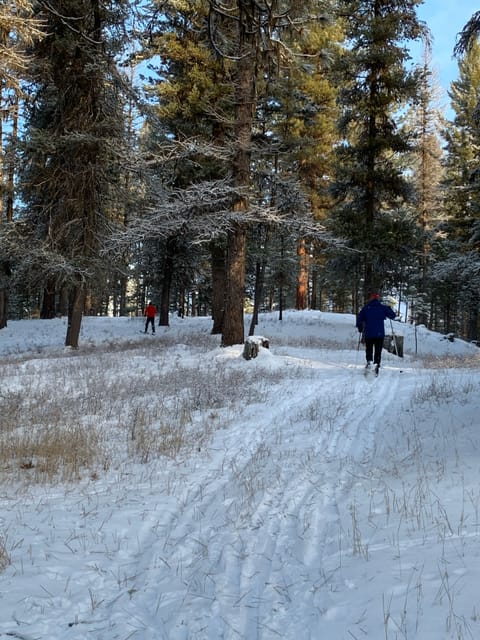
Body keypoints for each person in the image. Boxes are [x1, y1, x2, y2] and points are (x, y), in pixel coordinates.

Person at [356, 293, 396, 374]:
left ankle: (369, 361)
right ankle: (376, 364)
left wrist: (360, 327)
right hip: (379, 333)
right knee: (378, 350)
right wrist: (389, 308)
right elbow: (393, 316)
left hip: (369, 333)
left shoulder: (366, 308)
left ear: (371, 299)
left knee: (369, 349)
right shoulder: (382, 307)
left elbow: (360, 318)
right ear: (377, 299)